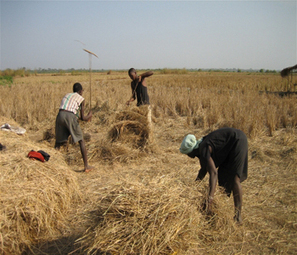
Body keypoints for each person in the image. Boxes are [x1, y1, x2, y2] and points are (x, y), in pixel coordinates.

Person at [179, 127, 248, 223]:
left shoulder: (203, 148)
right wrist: (193, 187)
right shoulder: (201, 148)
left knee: (234, 179)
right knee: (225, 174)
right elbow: (203, 170)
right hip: (232, 143)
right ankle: (230, 210)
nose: (187, 156)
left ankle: (238, 216)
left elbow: (213, 173)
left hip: (237, 141)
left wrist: (209, 199)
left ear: (191, 151)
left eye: (187, 154)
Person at [55, 82, 94, 172]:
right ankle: (86, 166)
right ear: (80, 91)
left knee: (58, 143)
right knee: (81, 140)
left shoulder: (67, 95)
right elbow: (83, 118)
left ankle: (54, 164)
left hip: (60, 115)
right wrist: (90, 115)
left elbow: (74, 114)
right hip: (70, 116)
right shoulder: (81, 99)